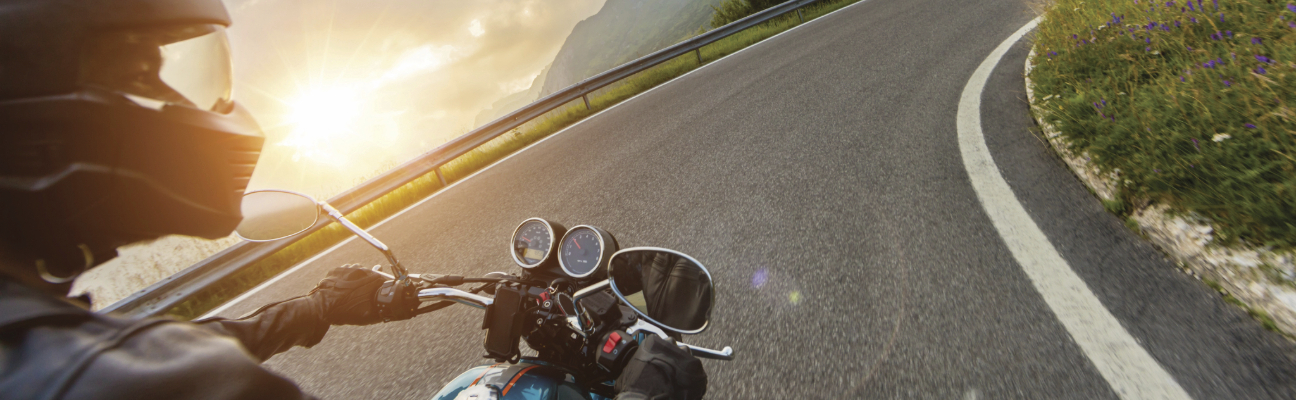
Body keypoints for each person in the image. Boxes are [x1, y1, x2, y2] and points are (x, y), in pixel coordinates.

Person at [0, 0, 705, 398]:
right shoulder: (160, 387)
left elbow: (148, 346)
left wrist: (315, 308)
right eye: (138, 70)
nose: (182, 101)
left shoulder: (48, 344)